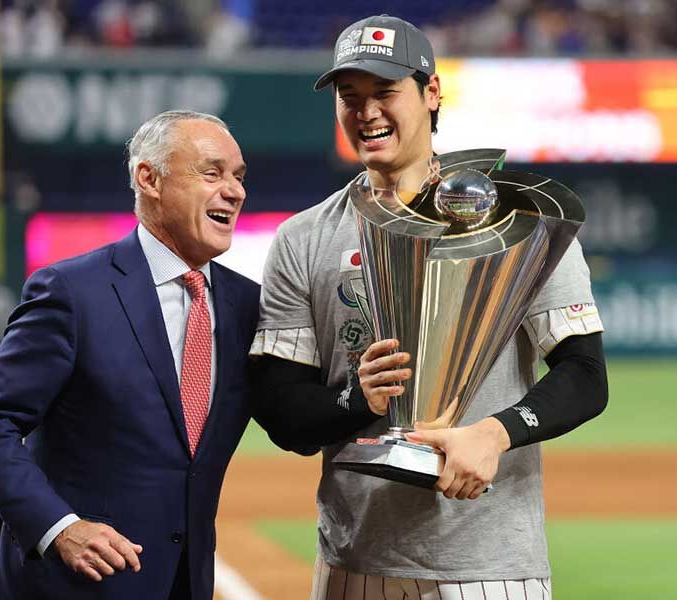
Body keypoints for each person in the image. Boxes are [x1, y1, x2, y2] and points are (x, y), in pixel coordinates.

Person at [250, 15, 608, 600]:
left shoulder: (515, 224)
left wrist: (494, 434)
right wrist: (356, 400)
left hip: (489, 567)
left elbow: (586, 376)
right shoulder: (304, 238)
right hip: (353, 562)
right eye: (350, 96)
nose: (366, 112)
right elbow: (282, 413)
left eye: (385, 91)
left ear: (432, 92)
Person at [0, 110, 259, 600]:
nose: (235, 191)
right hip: (70, 585)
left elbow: (290, 418)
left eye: (239, 177)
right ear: (149, 178)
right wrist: (60, 527)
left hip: (182, 584)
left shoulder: (246, 305)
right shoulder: (72, 291)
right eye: (212, 172)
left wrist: (357, 394)